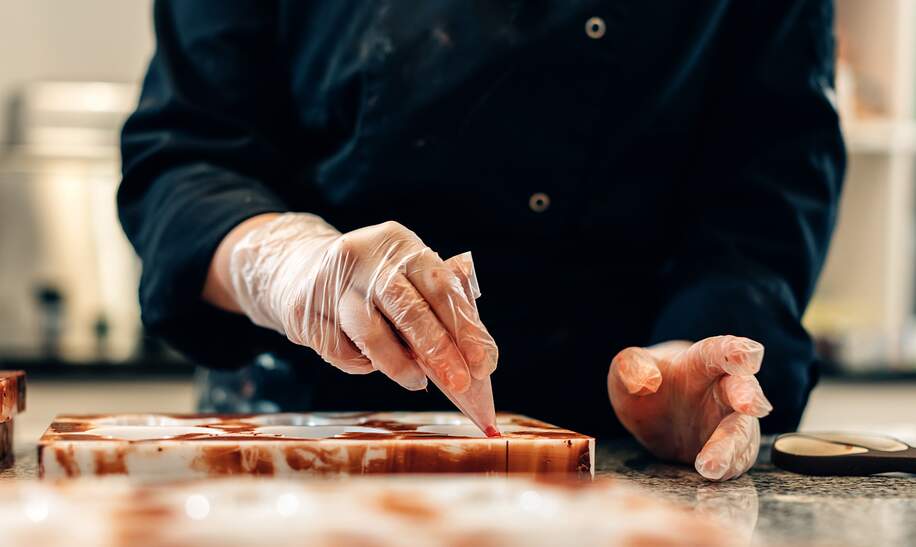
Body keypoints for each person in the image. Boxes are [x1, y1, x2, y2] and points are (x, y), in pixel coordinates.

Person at [118, 0, 845, 480]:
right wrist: (285, 263)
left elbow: (768, 178)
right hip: (301, 436)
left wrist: (700, 352)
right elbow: (186, 152)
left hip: (621, 448)